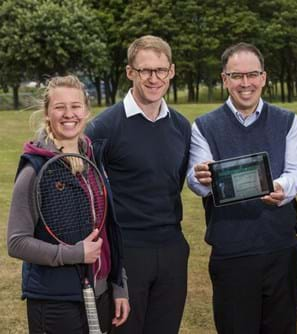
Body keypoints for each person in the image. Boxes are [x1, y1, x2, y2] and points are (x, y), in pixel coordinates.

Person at [188, 42, 297, 333]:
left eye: (252, 75)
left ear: (264, 77)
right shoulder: (204, 126)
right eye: (237, 76)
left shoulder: (287, 120)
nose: (246, 83)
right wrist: (201, 178)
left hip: (281, 249)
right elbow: (197, 181)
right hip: (232, 252)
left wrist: (279, 187)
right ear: (224, 79)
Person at [7, 75, 129, 333]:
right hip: (55, 302)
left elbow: (107, 230)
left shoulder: (93, 158)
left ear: (86, 110)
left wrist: (119, 284)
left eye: (75, 106)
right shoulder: (35, 169)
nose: (68, 114)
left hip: (101, 293)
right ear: (47, 113)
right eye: (59, 107)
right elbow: (17, 242)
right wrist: (74, 254)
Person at [85, 35, 191, 333]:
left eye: (160, 70)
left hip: (172, 249)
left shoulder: (182, 126)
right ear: (130, 72)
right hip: (127, 252)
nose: (154, 78)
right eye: (145, 70)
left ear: (171, 71)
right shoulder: (104, 127)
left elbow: (174, 181)